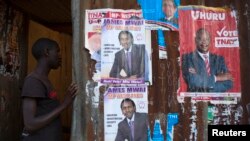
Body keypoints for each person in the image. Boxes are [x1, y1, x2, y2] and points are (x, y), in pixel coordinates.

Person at [21, 38, 78, 141]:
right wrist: (64, 104)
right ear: (47, 52)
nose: (60, 56)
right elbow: (30, 124)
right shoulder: (33, 81)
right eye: (57, 51)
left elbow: (47, 116)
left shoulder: (44, 80)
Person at [181, 28, 233, 92]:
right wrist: (217, 78)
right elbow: (193, 81)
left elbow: (229, 83)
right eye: (200, 39)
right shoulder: (187, 58)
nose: (204, 42)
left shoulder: (219, 60)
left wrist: (206, 88)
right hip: (197, 101)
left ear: (210, 41)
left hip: (217, 101)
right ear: (195, 40)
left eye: (207, 39)